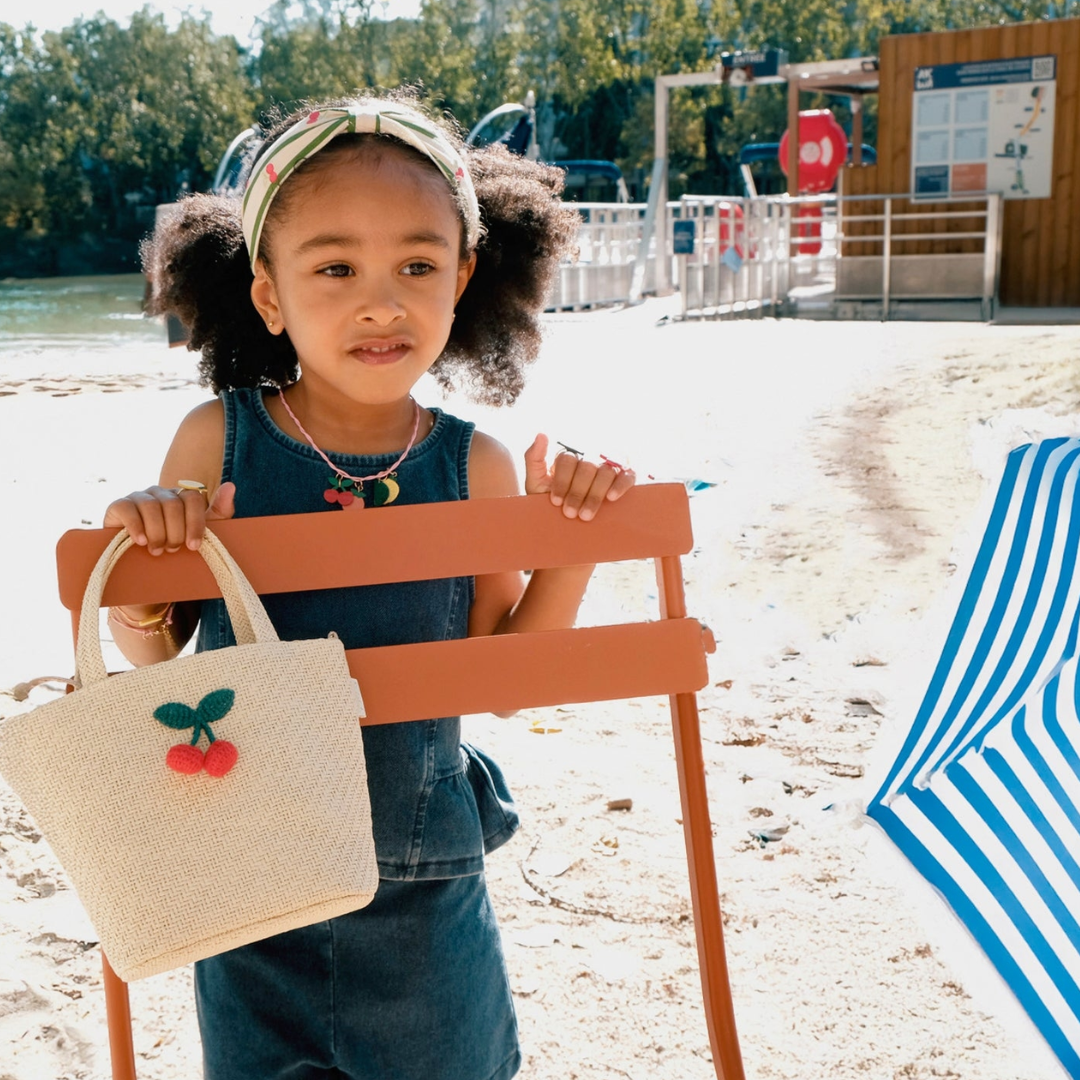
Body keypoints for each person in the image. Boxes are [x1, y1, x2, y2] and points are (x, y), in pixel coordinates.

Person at [103, 90, 636, 1080]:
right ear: (268, 293)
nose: (380, 300)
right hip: (252, 880)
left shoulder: (474, 466)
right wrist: (144, 561)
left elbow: (504, 681)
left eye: (417, 266)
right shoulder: (216, 444)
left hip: (422, 885)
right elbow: (153, 656)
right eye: (336, 267)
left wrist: (575, 543)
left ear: (464, 277)